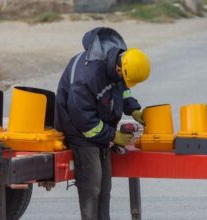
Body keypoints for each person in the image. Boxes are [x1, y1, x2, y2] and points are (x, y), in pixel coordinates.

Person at [54, 27, 150, 220]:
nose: (124, 82)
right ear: (119, 68)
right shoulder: (87, 77)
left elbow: (122, 90)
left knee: (105, 186)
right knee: (92, 185)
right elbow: (83, 120)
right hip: (80, 131)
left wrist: (133, 109)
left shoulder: (119, 63)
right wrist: (113, 136)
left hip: (100, 129)